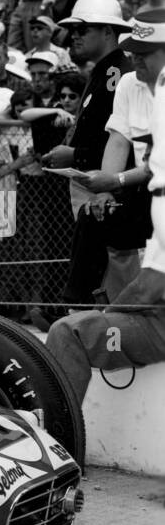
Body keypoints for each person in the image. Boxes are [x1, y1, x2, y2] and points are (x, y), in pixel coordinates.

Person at [46, 41, 165, 400]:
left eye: (146, 52)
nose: (134, 58)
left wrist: (111, 313)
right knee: (97, 219)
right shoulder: (131, 84)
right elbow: (120, 144)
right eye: (133, 51)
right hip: (140, 197)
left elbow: (151, 286)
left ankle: (59, 442)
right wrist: (106, 191)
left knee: (70, 331)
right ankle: (78, 303)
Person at [40, 0, 136, 310]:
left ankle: (119, 333)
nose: (75, 36)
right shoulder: (102, 70)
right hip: (94, 181)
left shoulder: (116, 72)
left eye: (84, 29)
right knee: (100, 271)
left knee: (114, 267)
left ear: (108, 31)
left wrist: (75, 155)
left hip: (111, 186)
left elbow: (121, 138)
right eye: (73, 31)